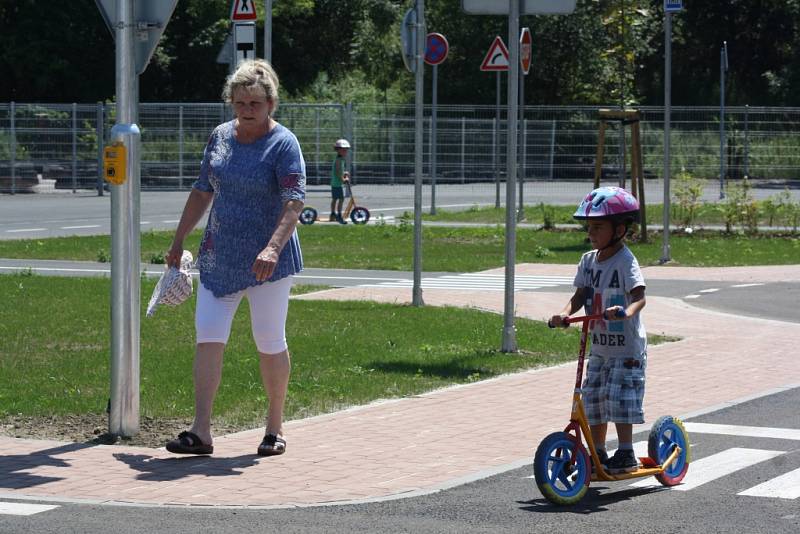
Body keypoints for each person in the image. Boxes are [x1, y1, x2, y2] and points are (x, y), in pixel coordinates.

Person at [164, 58, 305, 457]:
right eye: (240, 103)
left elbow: (294, 202)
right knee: (208, 336)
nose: (246, 111)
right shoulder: (220, 137)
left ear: (271, 104)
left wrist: (272, 247)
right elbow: (202, 190)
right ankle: (201, 431)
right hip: (218, 256)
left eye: (255, 104)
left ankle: (274, 427)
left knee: (269, 340)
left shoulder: (283, 143)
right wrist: (178, 240)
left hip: (268, 262)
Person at [549, 186, 647, 474]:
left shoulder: (626, 261)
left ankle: (626, 452)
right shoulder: (588, 261)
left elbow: (640, 297)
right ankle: (598, 450)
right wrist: (564, 314)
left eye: (597, 227)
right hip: (600, 347)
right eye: (589, 227)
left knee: (619, 399)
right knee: (593, 400)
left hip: (627, 348)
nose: (591, 233)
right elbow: (580, 296)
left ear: (619, 229)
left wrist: (626, 312)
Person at [330, 138, 350, 224]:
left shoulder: (340, 160)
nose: (345, 152)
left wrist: (344, 173)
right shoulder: (339, 160)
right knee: (341, 199)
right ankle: (338, 215)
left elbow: (339, 171)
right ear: (338, 150)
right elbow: (338, 172)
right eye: (344, 150)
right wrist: (344, 179)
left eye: (346, 150)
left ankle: (333, 214)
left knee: (335, 199)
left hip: (335, 183)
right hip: (337, 183)